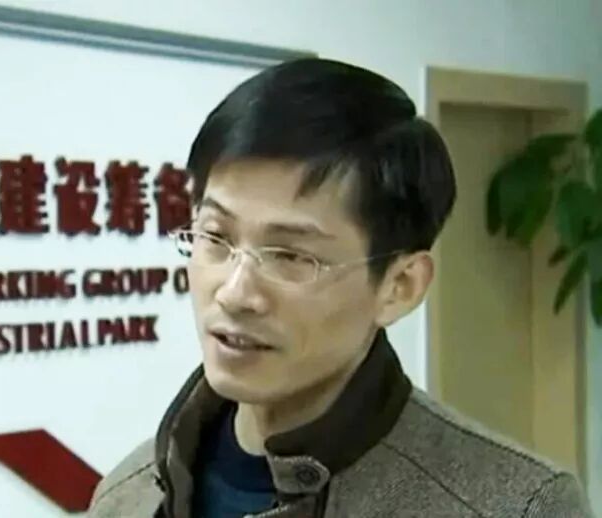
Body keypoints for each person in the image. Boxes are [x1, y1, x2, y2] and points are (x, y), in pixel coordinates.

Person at [87, 58, 592, 517]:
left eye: (291, 256)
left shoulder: (516, 506)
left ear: (400, 286)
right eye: (216, 237)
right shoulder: (126, 496)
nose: (235, 293)